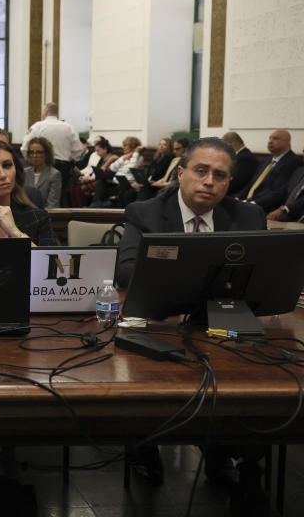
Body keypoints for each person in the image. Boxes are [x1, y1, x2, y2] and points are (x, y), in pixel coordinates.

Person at [115, 138, 267, 495]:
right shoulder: (146, 212)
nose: (209, 181)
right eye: (201, 171)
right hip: (160, 327)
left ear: (229, 183)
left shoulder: (248, 215)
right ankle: (144, 445)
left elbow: (263, 276)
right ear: (181, 173)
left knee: (254, 379)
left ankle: (233, 458)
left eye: (220, 175)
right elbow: (125, 272)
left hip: (224, 330)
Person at [21, 102, 83, 205]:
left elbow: (25, 148)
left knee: (36, 195)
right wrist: (69, 160)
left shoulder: (38, 126)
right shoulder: (68, 127)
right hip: (64, 167)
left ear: (45, 112)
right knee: (61, 199)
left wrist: (32, 160)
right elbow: (78, 150)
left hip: (41, 165)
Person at [238, 129, 302, 211]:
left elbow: (278, 192)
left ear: (287, 142)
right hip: (248, 203)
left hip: (265, 208)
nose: (270, 141)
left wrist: (251, 202)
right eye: (270, 138)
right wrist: (239, 197)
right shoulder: (266, 160)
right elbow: (252, 183)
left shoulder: (293, 162)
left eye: (275, 139)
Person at [24, 137, 62, 208]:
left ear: (47, 154)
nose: (34, 156)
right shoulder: (25, 172)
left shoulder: (54, 174)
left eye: (39, 152)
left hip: (45, 215)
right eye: (31, 152)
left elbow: (52, 204)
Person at [266, 150, 304, 222]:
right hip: (281, 214)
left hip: (297, 218)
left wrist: (284, 209)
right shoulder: (300, 171)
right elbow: (284, 191)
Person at [221, 131, 259, 196]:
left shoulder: (245, 159)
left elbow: (235, 183)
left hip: (238, 195)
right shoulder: (241, 156)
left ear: (230, 145)